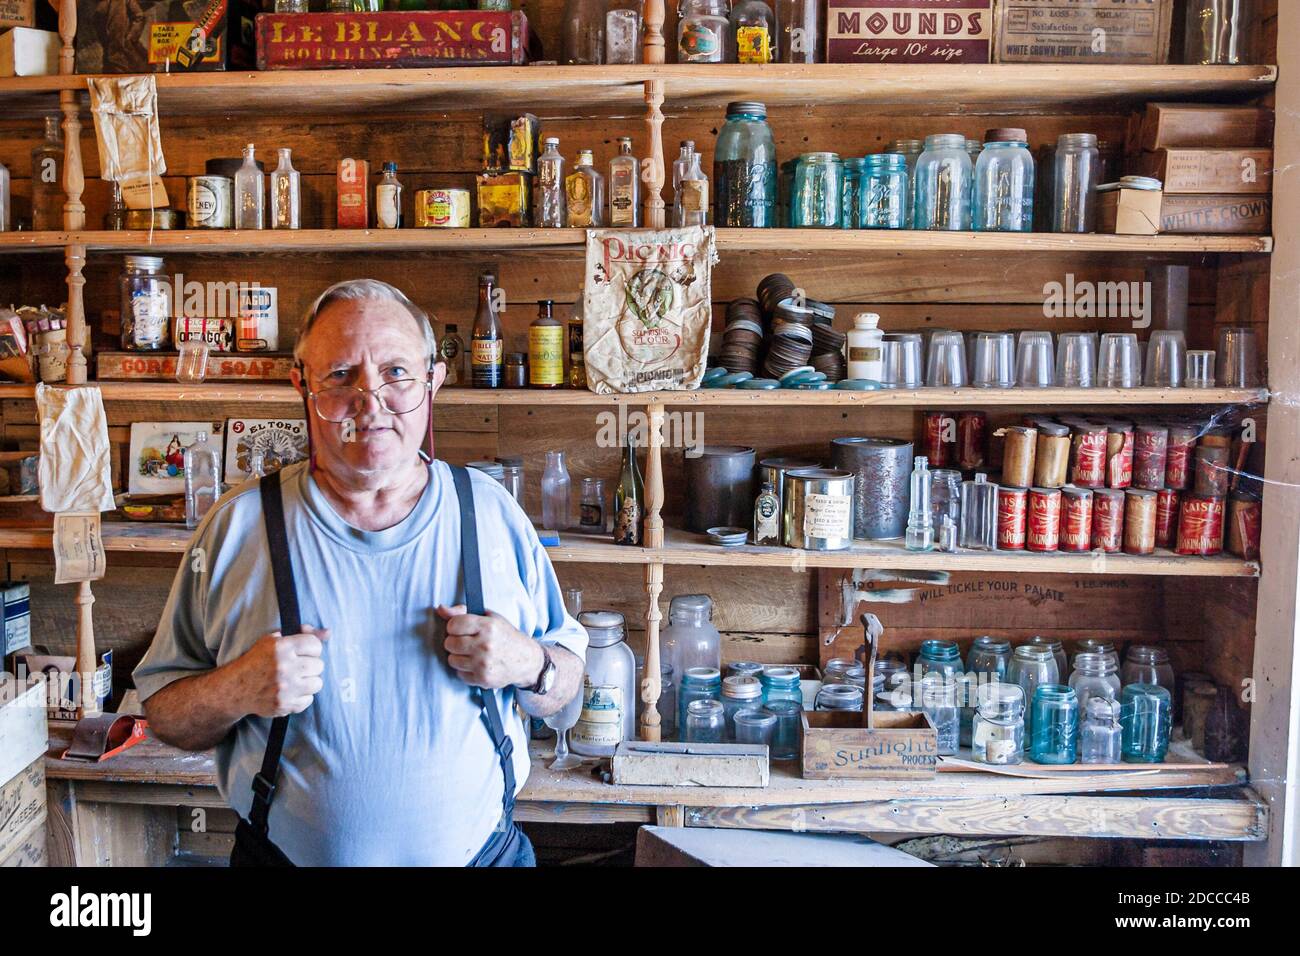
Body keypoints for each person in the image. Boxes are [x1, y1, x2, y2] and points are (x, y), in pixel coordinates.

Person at [133, 279, 587, 866]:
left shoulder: (491, 512)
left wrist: (529, 663)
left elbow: (568, 681)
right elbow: (165, 714)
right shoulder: (239, 526)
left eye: (396, 372)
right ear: (301, 382)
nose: (370, 402)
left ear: (432, 381)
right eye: (342, 375)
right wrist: (238, 688)